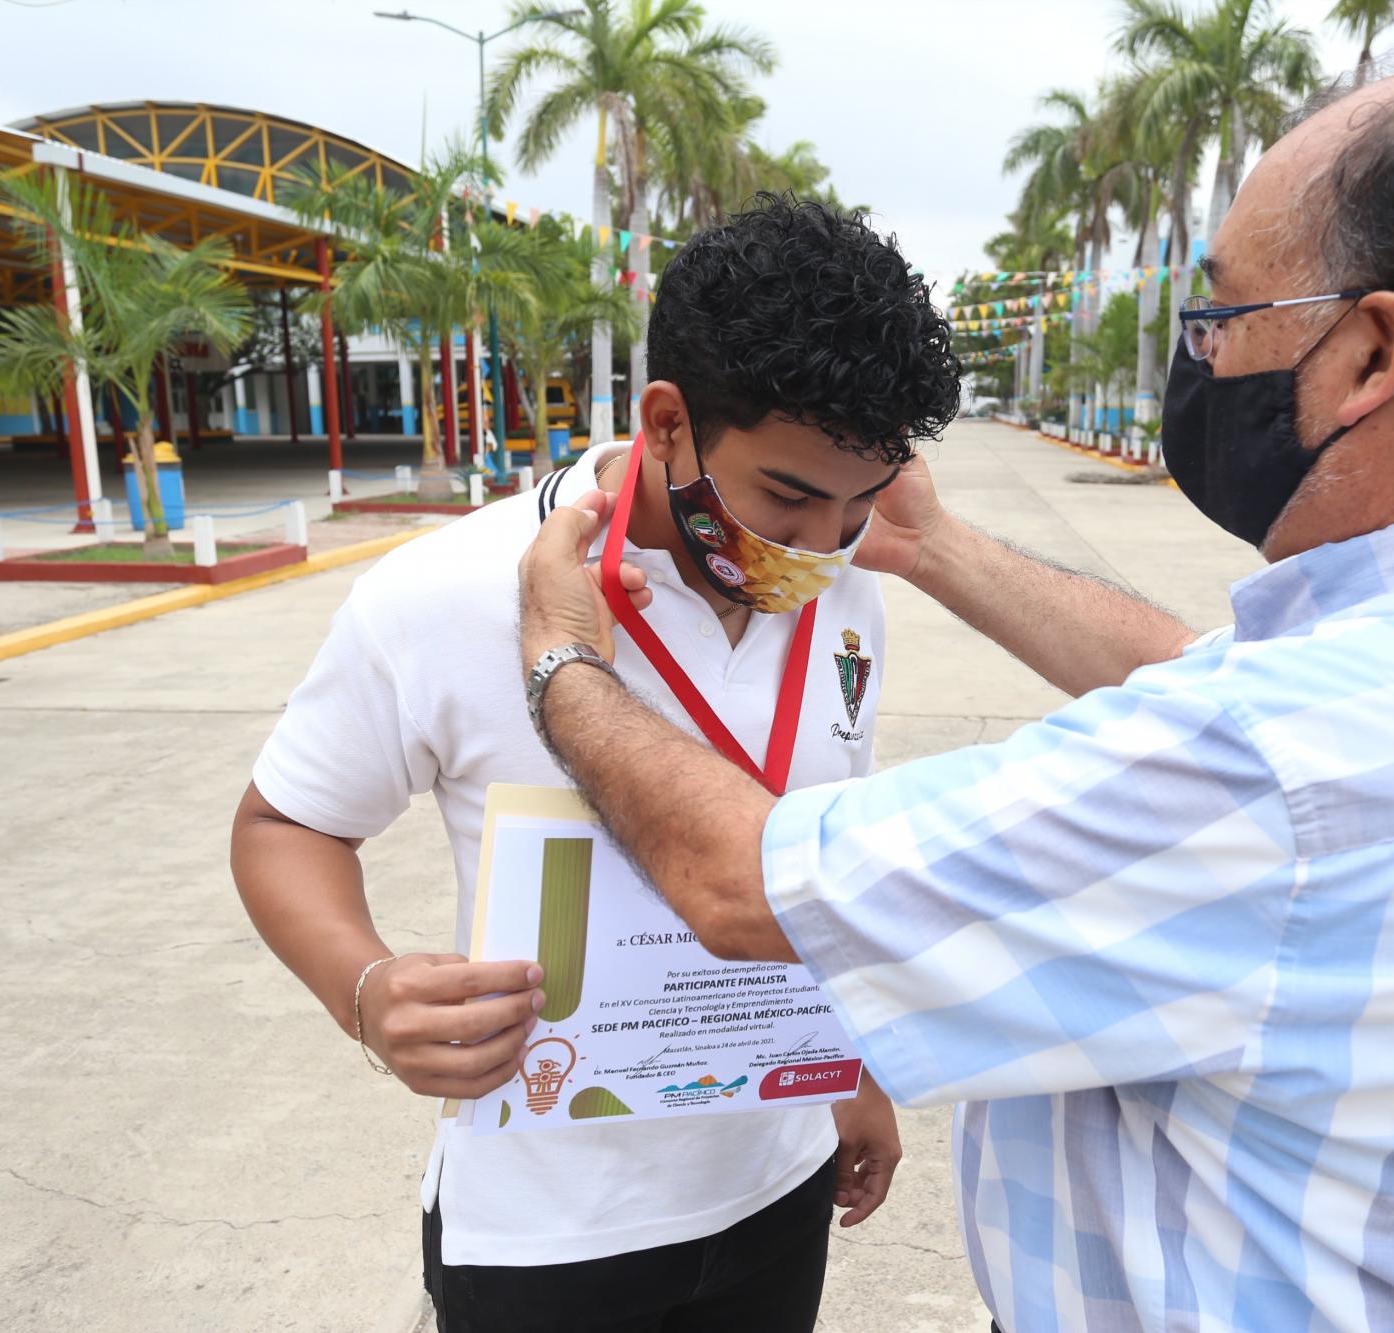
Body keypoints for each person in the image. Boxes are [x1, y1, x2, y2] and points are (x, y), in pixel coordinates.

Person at [513, 64, 1394, 1332]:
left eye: (1227, 312)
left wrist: (564, 664)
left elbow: (742, 885)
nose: (1202, 353)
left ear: (1367, 351)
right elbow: (1219, 687)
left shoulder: (1270, 762)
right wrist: (934, 549)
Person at [231, 194, 960, 1332]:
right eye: (788, 497)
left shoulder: (842, 588)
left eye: (859, 504)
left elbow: (821, 844)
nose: (819, 548)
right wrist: (363, 988)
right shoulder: (447, 592)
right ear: (666, 422)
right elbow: (285, 824)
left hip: (776, 1177)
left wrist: (850, 1072)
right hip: (549, 1231)